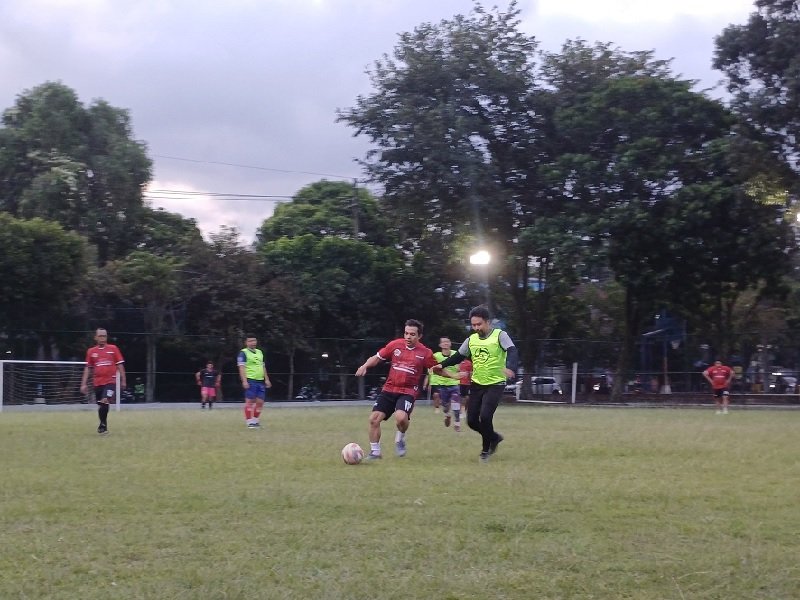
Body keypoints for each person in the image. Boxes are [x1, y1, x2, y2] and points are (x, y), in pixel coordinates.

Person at [434, 305, 518, 463]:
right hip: (477, 383)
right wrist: (442, 365)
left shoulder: (500, 335)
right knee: (471, 421)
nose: (476, 328)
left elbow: (513, 350)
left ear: (488, 322)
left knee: (485, 417)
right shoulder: (471, 340)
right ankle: (494, 437)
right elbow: (458, 356)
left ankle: (485, 451)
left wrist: (511, 367)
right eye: (473, 325)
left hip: (496, 383)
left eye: (479, 324)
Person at [355, 319, 438, 460]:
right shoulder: (395, 345)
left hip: (408, 391)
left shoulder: (426, 353)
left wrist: (453, 375)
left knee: (400, 419)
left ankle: (400, 438)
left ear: (419, 336)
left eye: (412, 334)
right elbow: (377, 357)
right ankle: (375, 452)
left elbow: (437, 369)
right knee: (374, 419)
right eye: (406, 333)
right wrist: (364, 366)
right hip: (389, 389)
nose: (408, 337)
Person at [79, 328, 126, 435]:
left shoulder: (113, 349)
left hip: (110, 382)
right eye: (100, 336)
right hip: (97, 383)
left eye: (104, 336)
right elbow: (88, 368)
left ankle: (102, 425)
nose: (102, 338)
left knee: (105, 400)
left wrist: (123, 379)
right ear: (95, 337)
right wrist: (83, 383)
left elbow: (120, 365)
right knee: (102, 405)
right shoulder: (91, 351)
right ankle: (103, 424)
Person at [428, 337, 465, 431]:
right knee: (445, 406)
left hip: (454, 383)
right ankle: (447, 415)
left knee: (456, 402)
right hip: (442, 385)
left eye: (447, 342)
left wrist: (462, 373)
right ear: (440, 345)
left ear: (450, 344)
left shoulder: (456, 354)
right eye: (443, 342)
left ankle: (457, 423)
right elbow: (432, 369)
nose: (445, 343)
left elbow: (461, 367)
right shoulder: (436, 356)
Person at [237, 335, 272, 428]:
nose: (253, 342)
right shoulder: (243, 353)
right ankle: (249, 422)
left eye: (254, 340)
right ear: (246, 342)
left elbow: (263, 367)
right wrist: (244, 381)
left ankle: (255, 421)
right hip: (250, 379)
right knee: (250, 401)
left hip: (260, 381)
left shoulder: (260, 352)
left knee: (260, 402)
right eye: (250, 341)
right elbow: (241, 368)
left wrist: (267, 379)